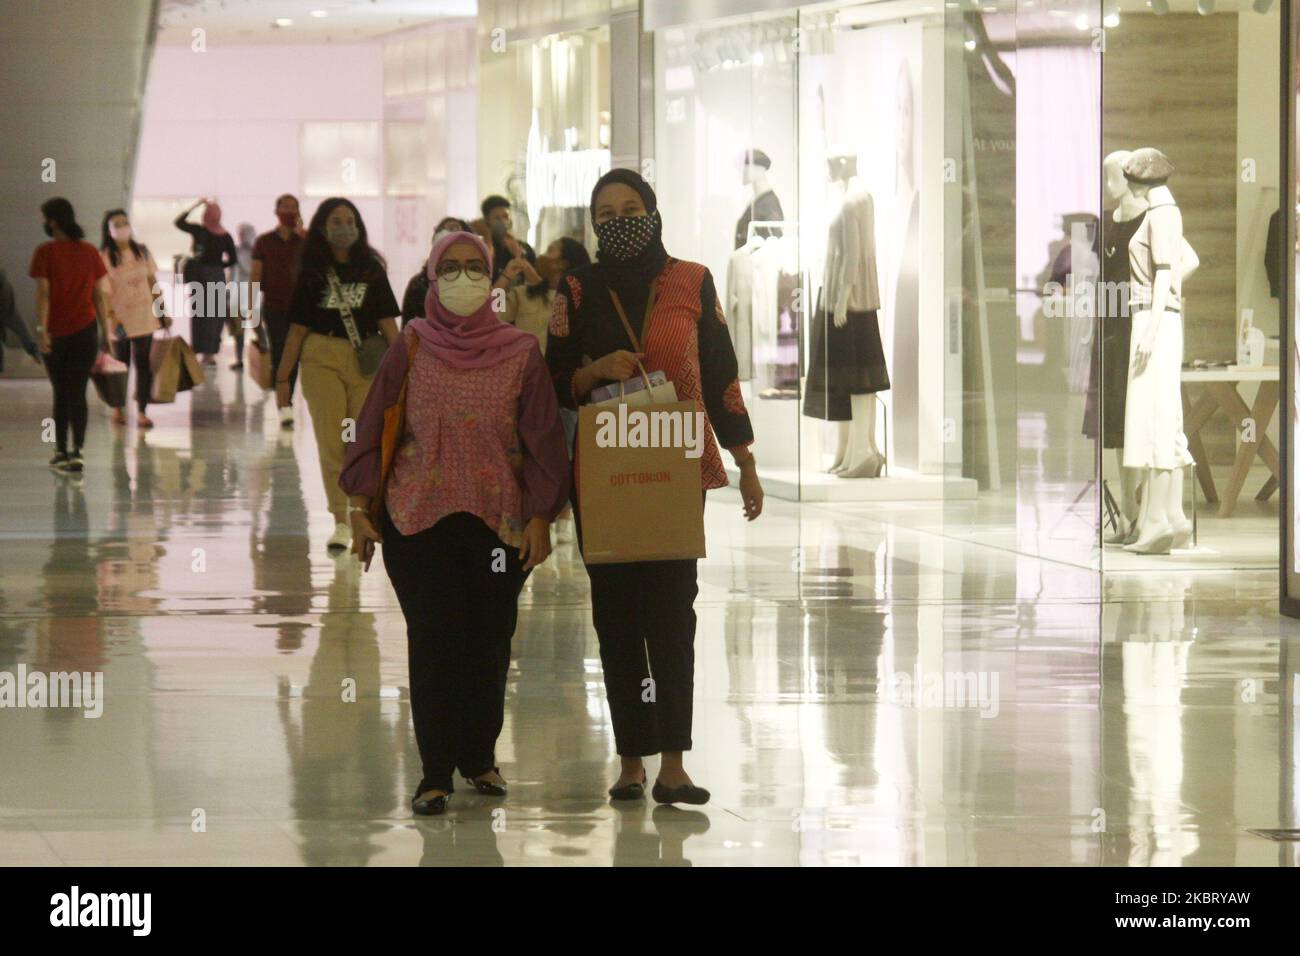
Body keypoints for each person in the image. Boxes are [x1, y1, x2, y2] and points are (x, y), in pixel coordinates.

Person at [545, 168, 764, 805]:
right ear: (594, 222)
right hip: (606, 469)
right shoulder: (578, 287)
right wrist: (592, 373)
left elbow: (720, 369)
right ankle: (630, 761)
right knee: (616, 615)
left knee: (673, 613)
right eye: (606, 212)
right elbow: (552, 377)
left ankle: (674, 763)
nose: (620, 219)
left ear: (653, 210)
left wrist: (744, 459)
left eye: (630, 207)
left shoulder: (692, 280)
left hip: (673, 467)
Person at [340, 230, 569, 816]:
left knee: (490, 640)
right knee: (435, 640)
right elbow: (374, 424)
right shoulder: (412, 343)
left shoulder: (520, 351)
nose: (464, 278)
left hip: (500, 523)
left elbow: (543, 439)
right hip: (417, 519)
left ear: (492, 280)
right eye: (452, 268)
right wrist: (361, 507)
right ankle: (435, 771)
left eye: (475, 268)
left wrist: (543, 514)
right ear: (433, 276)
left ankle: (480, 756)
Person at [276, 197, 400, 553]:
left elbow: (388, 325)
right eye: (336, 221)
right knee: (332, 441)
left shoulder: (371, 270)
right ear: (323, 228)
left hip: (365, 361)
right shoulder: (312, 273)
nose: (344, 227)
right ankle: (341, 521)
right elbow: (297, 331)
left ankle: (361, 510)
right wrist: (283, 379)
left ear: (358, 226)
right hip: (321, 357)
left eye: (350, 220)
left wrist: (407, 369)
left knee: (359, 440)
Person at [30, 198, 113, 474]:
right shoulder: (90, 252)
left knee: (61, 393)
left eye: (45, 218)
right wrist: (107, 332)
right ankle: (78, 452)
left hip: (56, 333)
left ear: (52, 221)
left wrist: (42, 331)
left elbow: (44, 294)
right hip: (86, 331)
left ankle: (60, 452)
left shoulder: (45, 252)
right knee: (78, 391)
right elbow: (99, 295)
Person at [100, 209, 168, 428]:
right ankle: (118, 409)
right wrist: (110, 318)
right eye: (116, 224)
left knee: (143, 364)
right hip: (119, 320)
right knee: (121, 364)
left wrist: (162, 310)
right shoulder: (104, 257)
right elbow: (103, 293)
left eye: (124, 222)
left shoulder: (142, 252)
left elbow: (152, 282)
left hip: (144, 316)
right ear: (108, 230)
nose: (121, 227)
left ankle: (142, 411)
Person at [251, 194, 304, 428]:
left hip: (303, 309)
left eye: (294, 207)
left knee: (298, 355)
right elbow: (255, 275)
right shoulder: (264, 242)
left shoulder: (306, 240)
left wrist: (304, 237)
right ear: (277, 211)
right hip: (274, 307)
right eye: (285, 207)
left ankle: (288, 400)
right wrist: (251, 307)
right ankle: (285, 403)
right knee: (281, 353)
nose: (290, 211)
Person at [174, 198, 237, 365]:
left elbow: (179, 222)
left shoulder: (205, 231)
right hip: (212, 275)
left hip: (204, 274)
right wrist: (217, 265)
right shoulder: (218, 234)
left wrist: (195, 206)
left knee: (207, 315)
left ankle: (205, 351)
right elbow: (232, 260)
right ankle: (206, 352)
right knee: (208, 314)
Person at [400, 216, 469, 326]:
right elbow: (409, 328)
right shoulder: (419, 284)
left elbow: (497, 310)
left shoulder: (476, 280)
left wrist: (506, 275)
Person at [480, 195, 534, 284]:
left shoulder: (525, 248)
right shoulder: (483, 248)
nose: (503, 221)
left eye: (506, 216)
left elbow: (536, 284)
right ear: (487, 221)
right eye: (497, 218)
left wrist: (519, 255)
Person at [0, 267, 42, 372]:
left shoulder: (2, 279)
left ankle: (34, 350)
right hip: (9, 308)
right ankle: (34, 350)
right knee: (23, 331)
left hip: (9, 308)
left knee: (23, 331)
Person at [229, 222, 256, 371]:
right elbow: (232, 272)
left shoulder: (255, 252)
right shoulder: (237, 250)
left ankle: (264, 356)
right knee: (238, 329)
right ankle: (239, 359)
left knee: (257, 327)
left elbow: (251, 270)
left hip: (250, 293)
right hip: (235, 294)